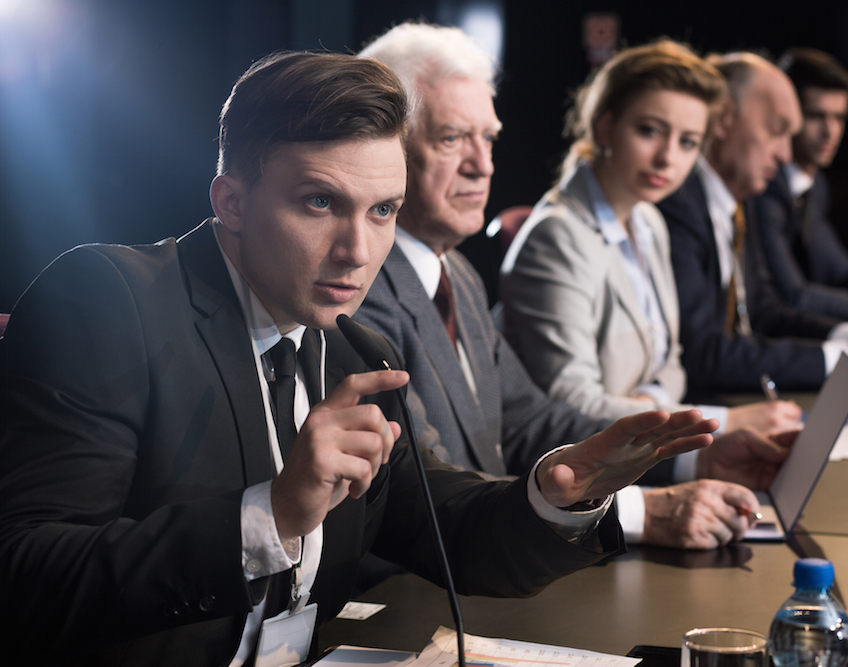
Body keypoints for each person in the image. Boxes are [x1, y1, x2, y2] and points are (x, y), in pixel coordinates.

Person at [0, 51, 720, 666]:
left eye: (383, 211)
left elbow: (448, 526)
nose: (358, 250)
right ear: (233, 201)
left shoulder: (350, 344)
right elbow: (26, 575)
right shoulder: (106, 299)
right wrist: (271, 515)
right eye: (320, 202)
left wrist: (562, 492)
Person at [355, 25, 790, 551]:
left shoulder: (458, 274)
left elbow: (530, 421)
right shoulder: (359, 288)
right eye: (452, 138)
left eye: (489, 138)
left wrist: (693, 453)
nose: (483, 164)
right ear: (382, 150)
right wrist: (637, 510)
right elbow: (427, 490)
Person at [500, 39, 801, 433]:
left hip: (640, 449)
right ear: (604, 125)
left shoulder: (649, 221)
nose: (667, 158)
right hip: (582, 472)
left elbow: (673, 363)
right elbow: (573, 405)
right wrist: (723, 422)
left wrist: (650, 405)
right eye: (650, 131)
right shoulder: (556, 236)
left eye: (688, 142)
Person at [656, 52, 848, 395]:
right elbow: (701, 355)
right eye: (777, 131)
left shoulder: (736, 203)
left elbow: (766, 313)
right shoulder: (678, 205)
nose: (786, 155)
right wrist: (846, 356)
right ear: (724, 117)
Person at [753, 48, 848, 322]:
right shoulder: (763, 185)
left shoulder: (815, 183)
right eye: (816, 116)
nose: (830, 131)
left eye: (839, 118)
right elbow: (794, 296)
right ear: (789, 114)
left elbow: (841, 270)